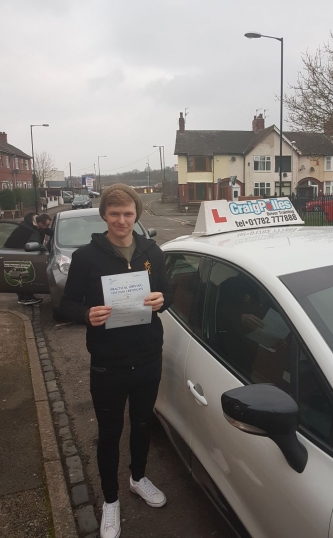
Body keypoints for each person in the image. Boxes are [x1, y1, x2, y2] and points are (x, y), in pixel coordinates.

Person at [59, 184, 172, 538]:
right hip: (108, 361)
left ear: (136, 215)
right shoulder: (86, 258)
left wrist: (160, 300)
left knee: (142, 426)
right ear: (104, 215)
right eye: (114, 214)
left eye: (127, 214)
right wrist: (86, 314)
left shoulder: (152, 251)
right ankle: (111, 500)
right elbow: (66, 304)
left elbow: (167, 295)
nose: (121, 220)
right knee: (110, 433)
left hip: (148, 357)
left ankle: (138, 478)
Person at [4, 212, 51, 305]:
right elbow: (24, 242)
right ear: (40, 223)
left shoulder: (36, 225)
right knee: (21, 274)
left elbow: (45, 231)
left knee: (24, 273)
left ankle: (27, 296)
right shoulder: (26, 229)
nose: (47, 227)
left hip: (23, 252)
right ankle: (24, 298)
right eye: (47, 225)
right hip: (16, 252)